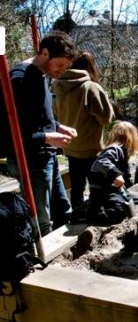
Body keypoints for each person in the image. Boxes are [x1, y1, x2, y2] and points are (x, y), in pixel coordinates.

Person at [6, 31, 77, 236]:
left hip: (47, 156)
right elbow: (14, 131)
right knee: (40, 220)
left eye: (66, 67)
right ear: (45, 53)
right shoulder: (20, 80)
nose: (62, 71)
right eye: (60, 65)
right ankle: (43, 261)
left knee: (63, 209)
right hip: (30, 161)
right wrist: (48, 137)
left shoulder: (40, 76)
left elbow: (38, 118)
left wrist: (58, 127)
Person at [53, 51, 115, 209]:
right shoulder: (91, 88)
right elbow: (106, 119)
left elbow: (55, 116)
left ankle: (77, 215)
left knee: (77, 187)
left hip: (70, 146)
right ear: (91, 67)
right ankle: (96, 217)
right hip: (90, 148)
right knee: (97, 187)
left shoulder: (59, 86)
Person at [85, 121, 138, 224]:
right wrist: (116, 174)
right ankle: (86, 211)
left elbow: (126, 178)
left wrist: (128, 192)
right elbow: (102, 162)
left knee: (137, 202)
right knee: (117, 213)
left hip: (113, 191)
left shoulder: (123, 152)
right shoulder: (115, 149)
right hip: (102, 193)